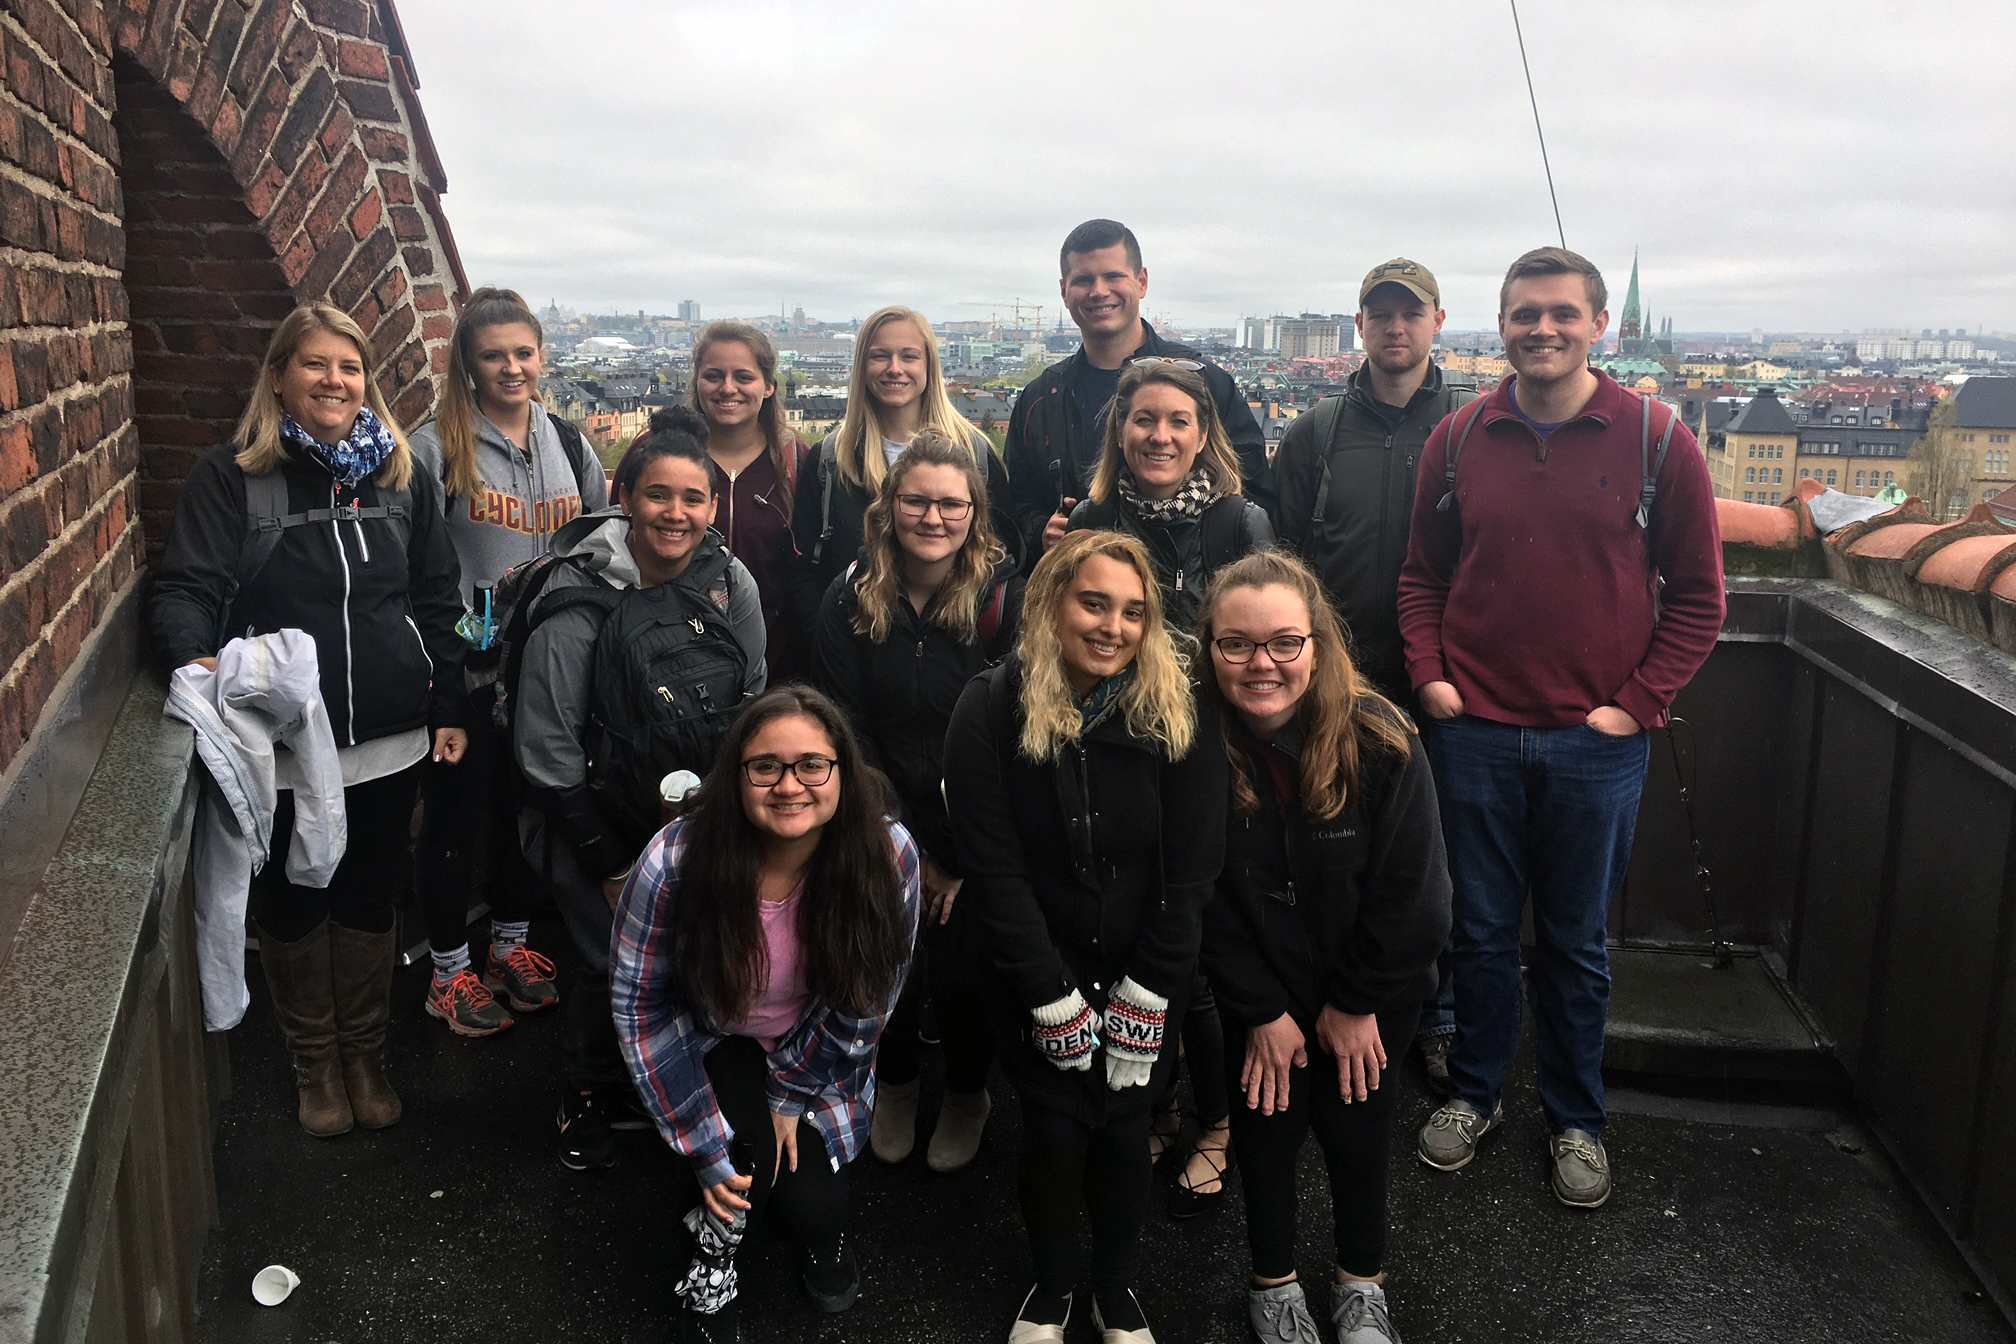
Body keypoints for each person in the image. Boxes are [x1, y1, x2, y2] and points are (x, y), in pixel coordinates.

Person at [1398, 247, 1724, 1208]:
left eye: (1561, 314)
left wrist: (1637, 704)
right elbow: (1422, 577)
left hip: (1597, 743)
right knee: (1483, 933)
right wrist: (1430, 678)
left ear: (1597, 327)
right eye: (1523, 314)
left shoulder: (1657, 438)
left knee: (1578, 942)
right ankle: (1476, 1094)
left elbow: (1701, 599)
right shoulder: (1458, 439)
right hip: (1475, 732)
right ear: (1499, 325)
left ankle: (1577, 1118)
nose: (1542, 329)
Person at [148, 303, 467, 1137]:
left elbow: (438, 595)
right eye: (317, 365)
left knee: (368, 893)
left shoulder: (400, 477)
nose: (335, 381)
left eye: (350, 367)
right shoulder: (235, 478)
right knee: (294, 899)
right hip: (288, 744)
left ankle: (366, 1056)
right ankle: (315, 1066)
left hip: (391, 737)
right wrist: (194, 658)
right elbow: (187, 586)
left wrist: (452, 700)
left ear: (369, 381)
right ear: (280, 378)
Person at [944, 529, 1227, 1344]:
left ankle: (1113, 1286)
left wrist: (1149, 988)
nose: (1113, 626)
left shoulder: (1179, 708)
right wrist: (1046, 993)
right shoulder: (988, 708)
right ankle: (1055, 1282)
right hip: (1036, 962)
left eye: (1134, 612)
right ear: (1050, 605)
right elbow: (994, 869)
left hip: (1146, 963)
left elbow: (1193, 866)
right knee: (1057, 1129)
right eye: (1094, 603)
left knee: (1127, 1127)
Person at [610, 686, 920, 1344]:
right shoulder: (675, 861)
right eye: (766, 766)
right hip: (710, 1037)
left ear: (842, 771)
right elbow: (640, 1006)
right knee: (737, 1175)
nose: (790, 785)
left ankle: (819, 1232)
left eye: (813, 764)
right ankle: (714, 1249)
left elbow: (870, 998)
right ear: (736, 774)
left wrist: (792, 1091)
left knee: (810, 1204)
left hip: (821, 1046)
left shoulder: (888, 855)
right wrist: (701, 1142)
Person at [1197, 550, 1450, 1344]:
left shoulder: (1380, 739)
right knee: (1265, 1131)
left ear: (1318, 645)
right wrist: (1260, 1008)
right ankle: (1273, 1284)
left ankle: (1360, 1284)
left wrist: (1355, 1003)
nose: (1260, 664)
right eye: (1235, 644)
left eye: (1283, 642)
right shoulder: (1191, 748)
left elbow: (1417, 898)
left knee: (1358, 1128)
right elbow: (1194, 898)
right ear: (1208, 648)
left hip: (1365, 991)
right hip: (1257, 992)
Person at [513, 408, 769, 1170]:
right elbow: (546, 746)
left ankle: (666, 1081)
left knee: (686, 956)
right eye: (659, 495)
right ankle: (588, 1093)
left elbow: (754, 700)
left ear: (713, 506)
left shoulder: (729, 582)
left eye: (693, 498)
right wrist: (609, 862)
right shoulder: (576, 601)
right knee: (606, 961)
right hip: (588, 810)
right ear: (625, 496)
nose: (677, 514)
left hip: (699, 811)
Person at [1267, 258, 1477, 1094]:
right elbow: (1284, 558)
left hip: (1444, 681)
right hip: (1334, 684)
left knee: (1439, 860)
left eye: (1411, 314)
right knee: (1330, 853)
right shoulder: (1318, 430)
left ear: (1437, 321)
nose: (1395, 328)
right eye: (1379, 314)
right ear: (1359, 324)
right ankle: (1334, 1008)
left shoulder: (1472, 425)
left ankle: (1440, 1015)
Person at [1066, 359, 1270, 1213]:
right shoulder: (1092, 518)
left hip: (1210, 760)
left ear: (1203, 433)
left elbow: (1262, 633)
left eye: (1178, 422)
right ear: (1120, 431)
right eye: (1144, 420)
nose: (1160, 436)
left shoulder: (1237, 522)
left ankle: (1217, 1122)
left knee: (1205, 952)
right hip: (1118, 759)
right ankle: (1155, 1101)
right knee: (1141, 947)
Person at [811, 431, 1023, 1173]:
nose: (932, 517)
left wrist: (961, 857)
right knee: (881, 958)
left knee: (966, 966)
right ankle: (894, 1080)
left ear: (975, 512)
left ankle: (968, 1092)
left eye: (949, 504)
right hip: (881, 810)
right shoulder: (848, 597)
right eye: (916, 501)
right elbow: (845, 727)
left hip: (981, 819)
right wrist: (906, 844)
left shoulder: (1007, 601)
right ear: (888, 507)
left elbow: (1017, 732)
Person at [408, 286, 607, 1038]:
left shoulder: (570, 440)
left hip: (550, 669)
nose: (512, 367)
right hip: (469, 668)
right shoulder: (433, 449)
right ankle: (449, 970)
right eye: (494, 355)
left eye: (523, 353)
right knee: (457, 820)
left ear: (541, 356)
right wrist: (449, 674)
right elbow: (420, 573)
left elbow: (596, 544)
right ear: (467, 363)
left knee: (533, 813)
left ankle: (511, 950)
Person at [1006, 219, 1268, 560]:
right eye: (1083, 280)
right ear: (1064, 291)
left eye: (1113, 276)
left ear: (1141, 282)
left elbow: (1253, 495)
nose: (1099, 291)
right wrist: (1040, 530)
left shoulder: (1205, 384)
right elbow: (1013, 504)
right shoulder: (1039, 400)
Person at [790, 305, 1016, 635]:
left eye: (909, 357)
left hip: (954, 646)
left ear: (929, 365)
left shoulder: (975, 454)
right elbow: (803, 572)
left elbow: (1002, 559)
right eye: (880, 356)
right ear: (862, 367)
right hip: (855, 647)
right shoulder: (830, 459)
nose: (895, 369)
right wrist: (827, 638)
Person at [618, 322, 809, 679]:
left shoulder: (796, 463)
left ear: (768, 386)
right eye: (714, 375)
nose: (727, 388)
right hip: (660, 665)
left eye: (743, 377)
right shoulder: (652, 453)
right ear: (697, 383)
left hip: (773, 664)